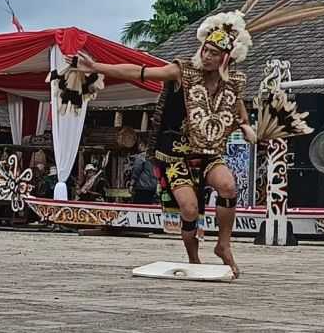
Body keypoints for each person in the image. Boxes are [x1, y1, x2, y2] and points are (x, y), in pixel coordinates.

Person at [70, 14, 257, 278]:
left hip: (207, 153)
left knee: (228, 186)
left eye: (214, 53)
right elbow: (139, 72)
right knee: (190, 209)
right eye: (205, 49)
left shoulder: (230, 83)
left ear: (225, 58)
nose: (206, 56)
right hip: (175, 155)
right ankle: (193, 257)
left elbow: (237, 107)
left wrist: (246, 125)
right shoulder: (182, 71)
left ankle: (223, 245)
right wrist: (97, 67)